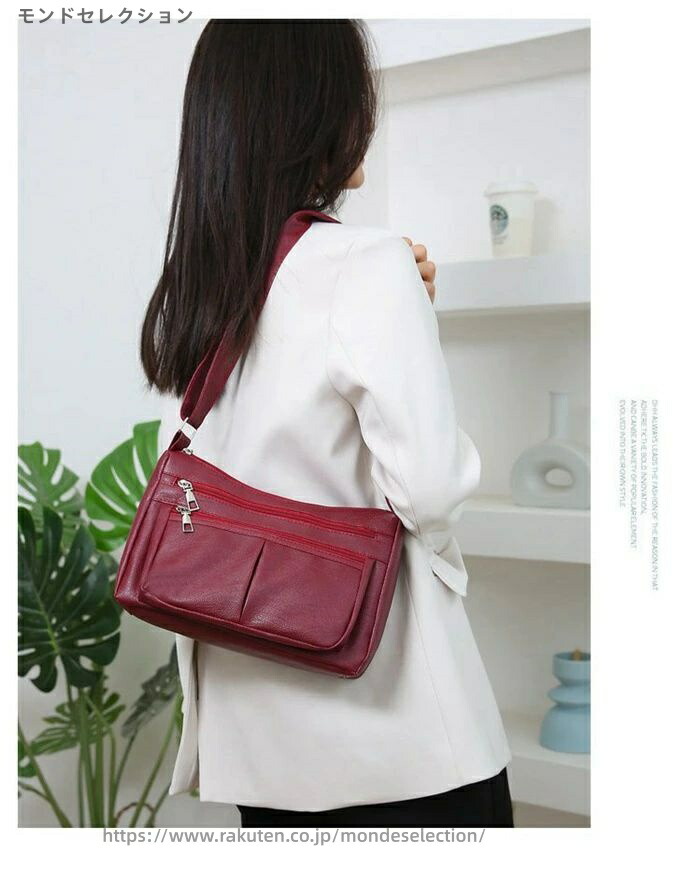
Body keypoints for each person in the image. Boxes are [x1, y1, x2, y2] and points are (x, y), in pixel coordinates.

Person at [141, 19, 512, 828]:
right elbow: (431, 488)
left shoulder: (207, 280)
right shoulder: (368, 264)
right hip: (395, 732)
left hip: (259, 746)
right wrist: (404, 310)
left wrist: (401, 305)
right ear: (324, 111)